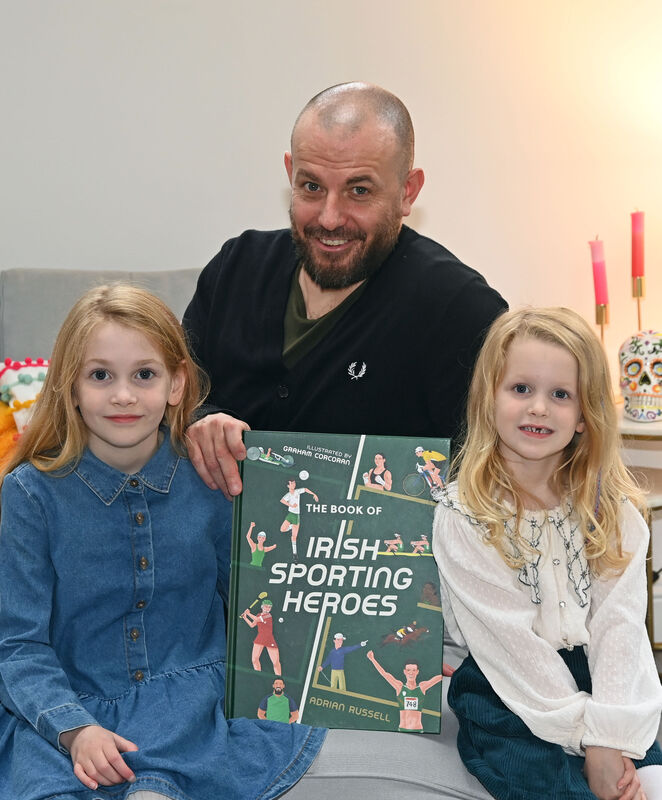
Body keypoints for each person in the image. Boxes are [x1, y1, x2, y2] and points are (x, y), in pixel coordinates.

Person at [0, 285, 324, 800]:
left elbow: (268, 592)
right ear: (70, 387)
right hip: (76, 709)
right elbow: (17, 644)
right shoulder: (28, 496)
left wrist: (392, 632)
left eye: (144, 375)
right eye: (100, 375)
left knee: (163, 786)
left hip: (194, 707)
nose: (123, 394)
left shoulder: (212, 475)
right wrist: (74, 730)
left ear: (176, 384)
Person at [182, 81, 507, 499]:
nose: (330, 218)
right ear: (289, 173)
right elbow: (170, 393)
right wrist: (199, 420)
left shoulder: (460, 310)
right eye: (312, 187)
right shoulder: (235, 268)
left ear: (408, 191)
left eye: (359, 191)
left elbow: (491, 474)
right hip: (217, 551)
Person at [432, 307, 662, 800]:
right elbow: (511, 646)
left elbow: (620, 631)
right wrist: (591, 742)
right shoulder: (463, 513)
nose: (539, 407)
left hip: (602, 680)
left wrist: (612, 734)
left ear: (584, 416)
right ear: (488, 399)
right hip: (505, 688)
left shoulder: (614, 512)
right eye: (521, 389)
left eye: (560, 395)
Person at [366, 651, 442, 733]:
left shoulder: (422, 687)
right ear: (405, 672)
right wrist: (372, 659)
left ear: (417, 672)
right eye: (408, 670)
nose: (411, 673)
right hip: (402, 728)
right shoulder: (399, 687)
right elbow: (384, 674)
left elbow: (438, 678)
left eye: (414, 670)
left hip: (418, 729)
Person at [279, 478, 319, 560]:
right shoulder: (288, 495)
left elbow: (305, 489)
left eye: (294, 483)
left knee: (294, 537)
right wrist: (291, 505)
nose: (293, 484)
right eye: (291, 483)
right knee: (282, 529)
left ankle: (295, 554)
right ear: (288, 485)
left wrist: (314, 494)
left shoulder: (297, 491)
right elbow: (282, 500)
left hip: (296, 516)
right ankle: (291, 527)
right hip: (290, 515)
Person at [241, 598, 282, 675]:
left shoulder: (268, 616)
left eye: (269, 607)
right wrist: (245, 617)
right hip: (260, 638)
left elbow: (257, 619)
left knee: (275, 662)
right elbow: (252, 625)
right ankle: (258, 676)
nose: (268, 608)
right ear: (262, 607)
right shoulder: (259, 615)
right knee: (254, 659)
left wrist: (248, 613)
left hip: (269, 639)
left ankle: (279, 678)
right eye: (266, 606)